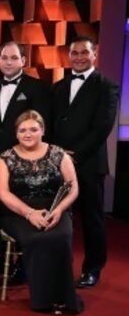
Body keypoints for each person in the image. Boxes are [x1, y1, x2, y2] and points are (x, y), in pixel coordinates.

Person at [0, 110, 82, 314]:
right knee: (36, 238)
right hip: (17, 211)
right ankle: (43, 300)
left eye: (33, 129)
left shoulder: (58, 154)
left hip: (55, 207)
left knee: (60, 237)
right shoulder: (5, 158)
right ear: (16, 133)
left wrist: (59, 210)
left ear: (42, 130)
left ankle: (63, 297)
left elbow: (73, 188)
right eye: (22, 130)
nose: (28, 134)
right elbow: (2, 193)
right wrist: (29, 213)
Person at [50, 36, 119, 289]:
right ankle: (56, 267)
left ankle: (92, 269)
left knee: (92, 219)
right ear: (68, 55)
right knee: (56, 216)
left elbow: (102, 128)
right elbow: (50, 124)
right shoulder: (58, 87)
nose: (79, 57)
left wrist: (74, 154)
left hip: (89, 163)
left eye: (84, 52)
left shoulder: (106, 86)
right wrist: (57, 155)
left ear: (94, 54)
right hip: (57, 163)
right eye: (74, 53)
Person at [0, 41, 51, 155]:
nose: (8, 62)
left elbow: (42, 124)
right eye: (4, 58)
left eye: (14, 58)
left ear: (23, 61)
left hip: (25, 153)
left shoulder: (37, 87)